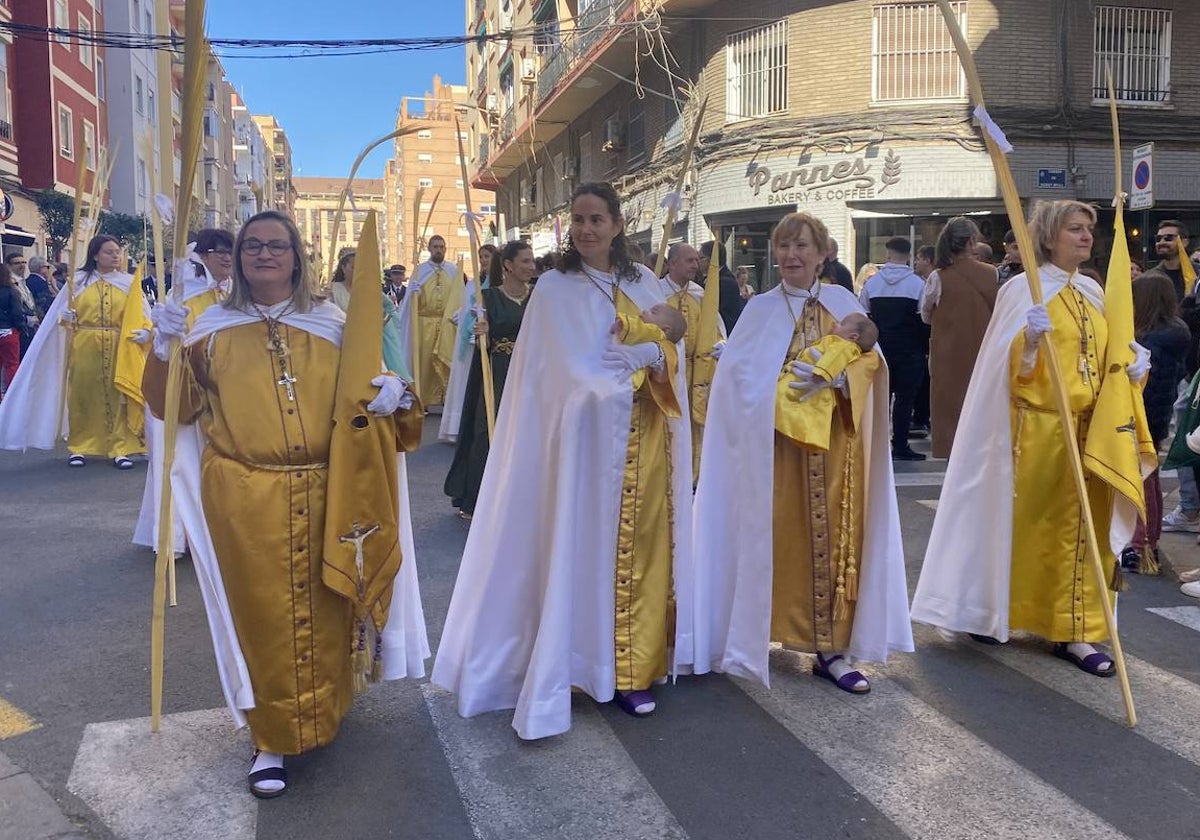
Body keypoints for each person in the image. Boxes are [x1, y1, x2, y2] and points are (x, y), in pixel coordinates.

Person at [143, 210, 428, 798]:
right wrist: (165, 348)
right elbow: (170, 409)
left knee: (328, 604)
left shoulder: (331, 323)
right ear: (239, 258)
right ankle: (270, 737)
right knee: (263, 616)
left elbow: (378, 391)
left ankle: (326, 708)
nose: (264, 255)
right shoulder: (209, 329)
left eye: (277, 245)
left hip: (330, 487)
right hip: (245, 494)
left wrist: (396, 395)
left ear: (297, 256)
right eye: (252, 246)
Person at [433, 182, 696, 738]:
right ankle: (579, 665)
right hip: (583, 450)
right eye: (578, 219)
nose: (586, 229)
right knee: (583, 553)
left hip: (643, 445)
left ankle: (631, 671)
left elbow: (672, 344)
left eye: (597, 218)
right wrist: (610, 383)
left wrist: (655, 352)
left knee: (641, 555)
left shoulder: (642, 281)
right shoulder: (553, 288)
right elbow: (556, 375)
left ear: (618, 224)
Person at [912, 200, 1150, 677]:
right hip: (1034, 434)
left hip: (1091, 433)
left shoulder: (1093, 290)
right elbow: (1008, 370)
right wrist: (1032, 342)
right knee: (1029, 530)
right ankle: (996, 609)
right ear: (1048, 237)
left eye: (1089, 230)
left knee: (1083, 531)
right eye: (1075, 229)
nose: (1086, 237)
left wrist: (1133, 368)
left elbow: (1106, 360)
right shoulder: (1023, 289)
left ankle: (1074, 629)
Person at [693, 211, 913, 696]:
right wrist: (778, 389)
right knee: (775, 540)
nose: (792, 255)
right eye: (784, 246)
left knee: (835, 541)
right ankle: (757, 634)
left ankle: (831, 650)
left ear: (822, 254)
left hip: (836, 449)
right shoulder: (760, 310)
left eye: (802, 247)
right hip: (775, 451)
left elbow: (874, 364)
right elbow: (738, 381)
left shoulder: (843, 303)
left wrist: (842, 377)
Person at [0, 235, 149, 468]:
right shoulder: (77, 282)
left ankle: (119, 447)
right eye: (109, 252)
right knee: (82, 395)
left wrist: (146, 332)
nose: (115, 256)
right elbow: (58, 318)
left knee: (116, 395)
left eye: (117, 252)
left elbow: (143, 315)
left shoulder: (129, 283)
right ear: (95, 255)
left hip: (119, 344)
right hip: (85, 344)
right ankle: (79, 445)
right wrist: (65, 318)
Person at [133, 229, 234, 555]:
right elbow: (169, 343)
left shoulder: (234, 296)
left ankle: (216, 534)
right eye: (219, 251)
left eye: (231, 251)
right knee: (180, 463)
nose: (226, 257)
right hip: (183, 391)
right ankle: (176, 536)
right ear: (201, 256)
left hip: (224, 396)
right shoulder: (182, 298)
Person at [444, 241, 535, 519]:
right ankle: (477, 499)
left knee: (526, 433)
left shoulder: (538, 297)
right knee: (486, 431)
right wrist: (482, 329)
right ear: (508, 265)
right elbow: (479, 333)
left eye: (532, 261)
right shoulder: (489, 298)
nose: (531, 267)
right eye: (525, 261)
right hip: (496, 370)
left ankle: (520, 497)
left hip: (529, 372)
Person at [1121, 270, 1188, 573]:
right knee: (1150, 481)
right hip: (1156, 416)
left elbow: (1145, 385)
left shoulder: (1150, 340)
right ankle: (1148, 541)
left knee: (1142, 482)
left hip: (1141, 416)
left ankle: (1141, 545)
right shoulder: (1174, 332)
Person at [920, 217, 998, 458]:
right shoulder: (991, 273)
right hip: (983, 351)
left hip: (947, 354)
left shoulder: (938, 277)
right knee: (982, 408)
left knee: (949, 410)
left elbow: (925, 314)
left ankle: (950, 453)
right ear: (972, 241)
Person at [656, 242, 725, 475]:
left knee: (694, 428)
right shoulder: (657, 293)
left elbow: (716, 329)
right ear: (672, 263)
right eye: (690, 260)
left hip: (696, 376)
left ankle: (693, 475)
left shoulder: (700, 293)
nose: (696, 265)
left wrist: (719, 345)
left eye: (697, 260)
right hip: (668, 373)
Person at [860, 236, 928, 460]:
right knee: (904, 400)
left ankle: (876, 447)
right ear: (908, 256)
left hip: (880, 349)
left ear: (887, 255)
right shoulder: (918, 284)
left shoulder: (872, 283)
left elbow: (864, 317)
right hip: (909, 351)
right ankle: (900, 445)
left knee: (880, 399)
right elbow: (924, 319)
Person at [775, 312, 878, 451]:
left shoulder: (844, 306)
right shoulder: (766, 305)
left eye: (840, 323)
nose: (834, 324)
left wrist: (839, 377)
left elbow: (871, 357)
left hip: (825, 393)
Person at [397, 234, 459, 407]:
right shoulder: (420, 271)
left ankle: (444, 398)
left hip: (446, 323)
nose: (438, 250)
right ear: (429, 249)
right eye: (435, 247)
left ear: (445, 249)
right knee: (424, 360)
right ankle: (422, 398)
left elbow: (458, 296)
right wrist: (412, 294)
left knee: (446, 358)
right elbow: (409, 301)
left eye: (441, 247)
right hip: (425, 323)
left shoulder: (453, 271)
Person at [911, 245, 936, 439]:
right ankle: (921, 418)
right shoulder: (921, 282)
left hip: (931, 341)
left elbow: (926, 315)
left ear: (928, 260)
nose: (916, 262)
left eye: (919, 258)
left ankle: (922, 418)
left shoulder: (932, 281)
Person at [699, 239, 745, 335]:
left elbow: (720, 314)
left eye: (701, 258)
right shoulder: (711, 278)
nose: (698, 262)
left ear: (711, 259)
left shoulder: (725, 282)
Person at [1149, 220, 1192, 301]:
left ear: (1184, 243)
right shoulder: (1150, 277)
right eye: (1158, 239)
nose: (1161, 242)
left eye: (1168, 238)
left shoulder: (1197, 274)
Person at [0, 264, 23, 399]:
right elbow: (17, 313)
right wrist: (20, 327)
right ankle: (12, 396)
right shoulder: (12, 291)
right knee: (12, 365)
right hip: (8, 331)